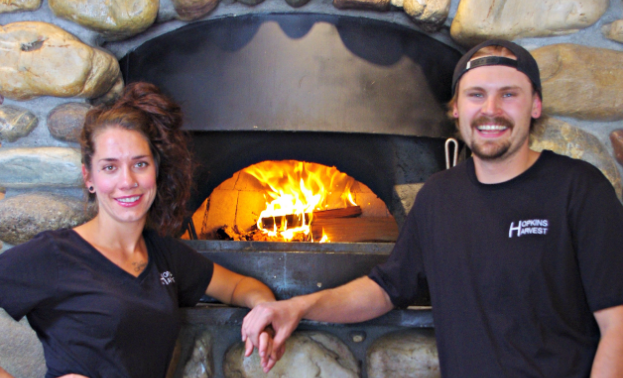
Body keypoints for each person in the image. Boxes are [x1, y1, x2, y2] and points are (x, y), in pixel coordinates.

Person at [241, 39, 623, 377]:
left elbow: (617, 325)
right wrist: (297, 306)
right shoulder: (439, 195)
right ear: (455, 109)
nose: (491, 110)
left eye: (509, 94)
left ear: (535, 105)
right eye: (475, 95)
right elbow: (384, 289)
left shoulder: (580, 188)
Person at [0, 82, 276, 378]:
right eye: (110, 167)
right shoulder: (54, 254)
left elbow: (238, 287)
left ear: (155, 170)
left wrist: (265, 311)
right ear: (88, 177)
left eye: (139, 164)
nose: (127, 181)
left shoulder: (165, 254)